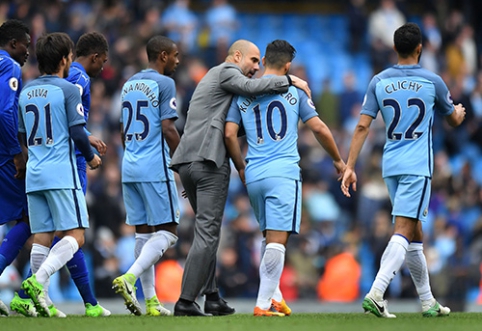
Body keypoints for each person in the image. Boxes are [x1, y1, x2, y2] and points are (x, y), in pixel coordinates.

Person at [170, 39, 311, 317]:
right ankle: (185, 301)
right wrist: (288, 79)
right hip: (208, 160)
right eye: (254, 60)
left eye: (260, 62)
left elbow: (238, 124)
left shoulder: (216, 78)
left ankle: (212, 297)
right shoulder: (226, 71)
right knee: (208, 233)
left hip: (189, 161)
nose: (257, 68)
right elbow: (250, 90)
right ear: (237, 56)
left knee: (207, 232)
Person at [341, 23, 466, 318]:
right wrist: (459, 114)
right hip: (416, 165)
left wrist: (349, 165)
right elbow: (452, 121)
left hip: (391, 164)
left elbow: (362, 126)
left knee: (415, 232)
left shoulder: (379, 81)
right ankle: (376, 292)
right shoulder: (432, 81)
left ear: (395, 49)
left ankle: (427, 301)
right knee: (404, 230)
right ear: (420, 48)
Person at [224, 39, 345, 316]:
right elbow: (320, 129)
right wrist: (338, 160)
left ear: (264, 60)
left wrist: (240, 166)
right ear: (288, 66)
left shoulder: (243, 92)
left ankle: (275, 297)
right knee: (278, 242)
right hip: (282, 172)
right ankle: (262, 304)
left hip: (253, 173)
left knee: (269, 239)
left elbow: (229, 133)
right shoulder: (295, 90)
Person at [9, 31, 111, 318]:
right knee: (76, 237)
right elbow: (78, 131)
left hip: (34, 173)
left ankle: (29, 298)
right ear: (66, 59)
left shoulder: (26, 90)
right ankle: (36, 281)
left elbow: (21, 135)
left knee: (41, 235)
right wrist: (91, 158)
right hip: (61, 172)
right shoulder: (67, 90)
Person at [112, 35, 181, 317]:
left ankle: (151, 301)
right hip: (154, 165)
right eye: (175, 55)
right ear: (163, 55)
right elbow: (168, 128)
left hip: (129, 164)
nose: (178, 60)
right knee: (169, 231)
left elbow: (121, 129)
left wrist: (133, 155)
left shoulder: (129, 83)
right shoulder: (164, 83)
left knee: (143, 232)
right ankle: (129, 278)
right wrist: (183, 161)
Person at [0, 19, 30, 317]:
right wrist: (16, 153)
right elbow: (4, 110)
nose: (27, 52)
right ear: (12, 44)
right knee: (29, 216)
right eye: (25, 45)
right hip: (2, 155)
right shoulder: (9, 66)